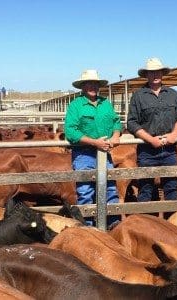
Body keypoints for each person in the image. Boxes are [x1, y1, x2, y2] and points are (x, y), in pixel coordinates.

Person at [65, 69, 122, 227]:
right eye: (88, 84)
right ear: (82, 86)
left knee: (110, 189)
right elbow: (70, 131)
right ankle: (87, 227)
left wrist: (116, 135)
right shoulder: (76, 105)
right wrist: (94, 142)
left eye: (95, 84)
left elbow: (116, 121)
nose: (92, 87)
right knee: (85, 192)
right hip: (84, 153)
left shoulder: (106, 103)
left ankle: (114, 225)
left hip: (105, 152)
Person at [127, 57, 177, 202]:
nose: (155, 75)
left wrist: (174, 134)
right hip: (147, 150)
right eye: (151, 72)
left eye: (158, 72)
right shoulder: (138, 96)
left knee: (171, 187)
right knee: (146, 188)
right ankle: (146, 221)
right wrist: (151, 140)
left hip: (169, 148)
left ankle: (169, 222)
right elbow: (132, 123)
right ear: (146, 75)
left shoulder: (172, 94)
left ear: (162, 73)